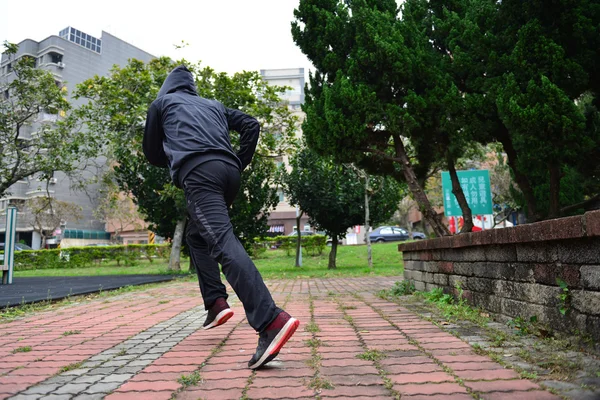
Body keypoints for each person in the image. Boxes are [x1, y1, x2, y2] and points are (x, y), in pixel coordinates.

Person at [142, 65, 299, 370]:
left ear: (166, 87)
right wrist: (238, 162)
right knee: (197, 236)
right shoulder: (213, 105)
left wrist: (176, 153)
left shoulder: (161, 104)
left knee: (221, 241)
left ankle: (270, 320)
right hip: (228, 174)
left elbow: (151, 153)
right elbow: (251, 125)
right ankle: (215, 302)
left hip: (199, 173)